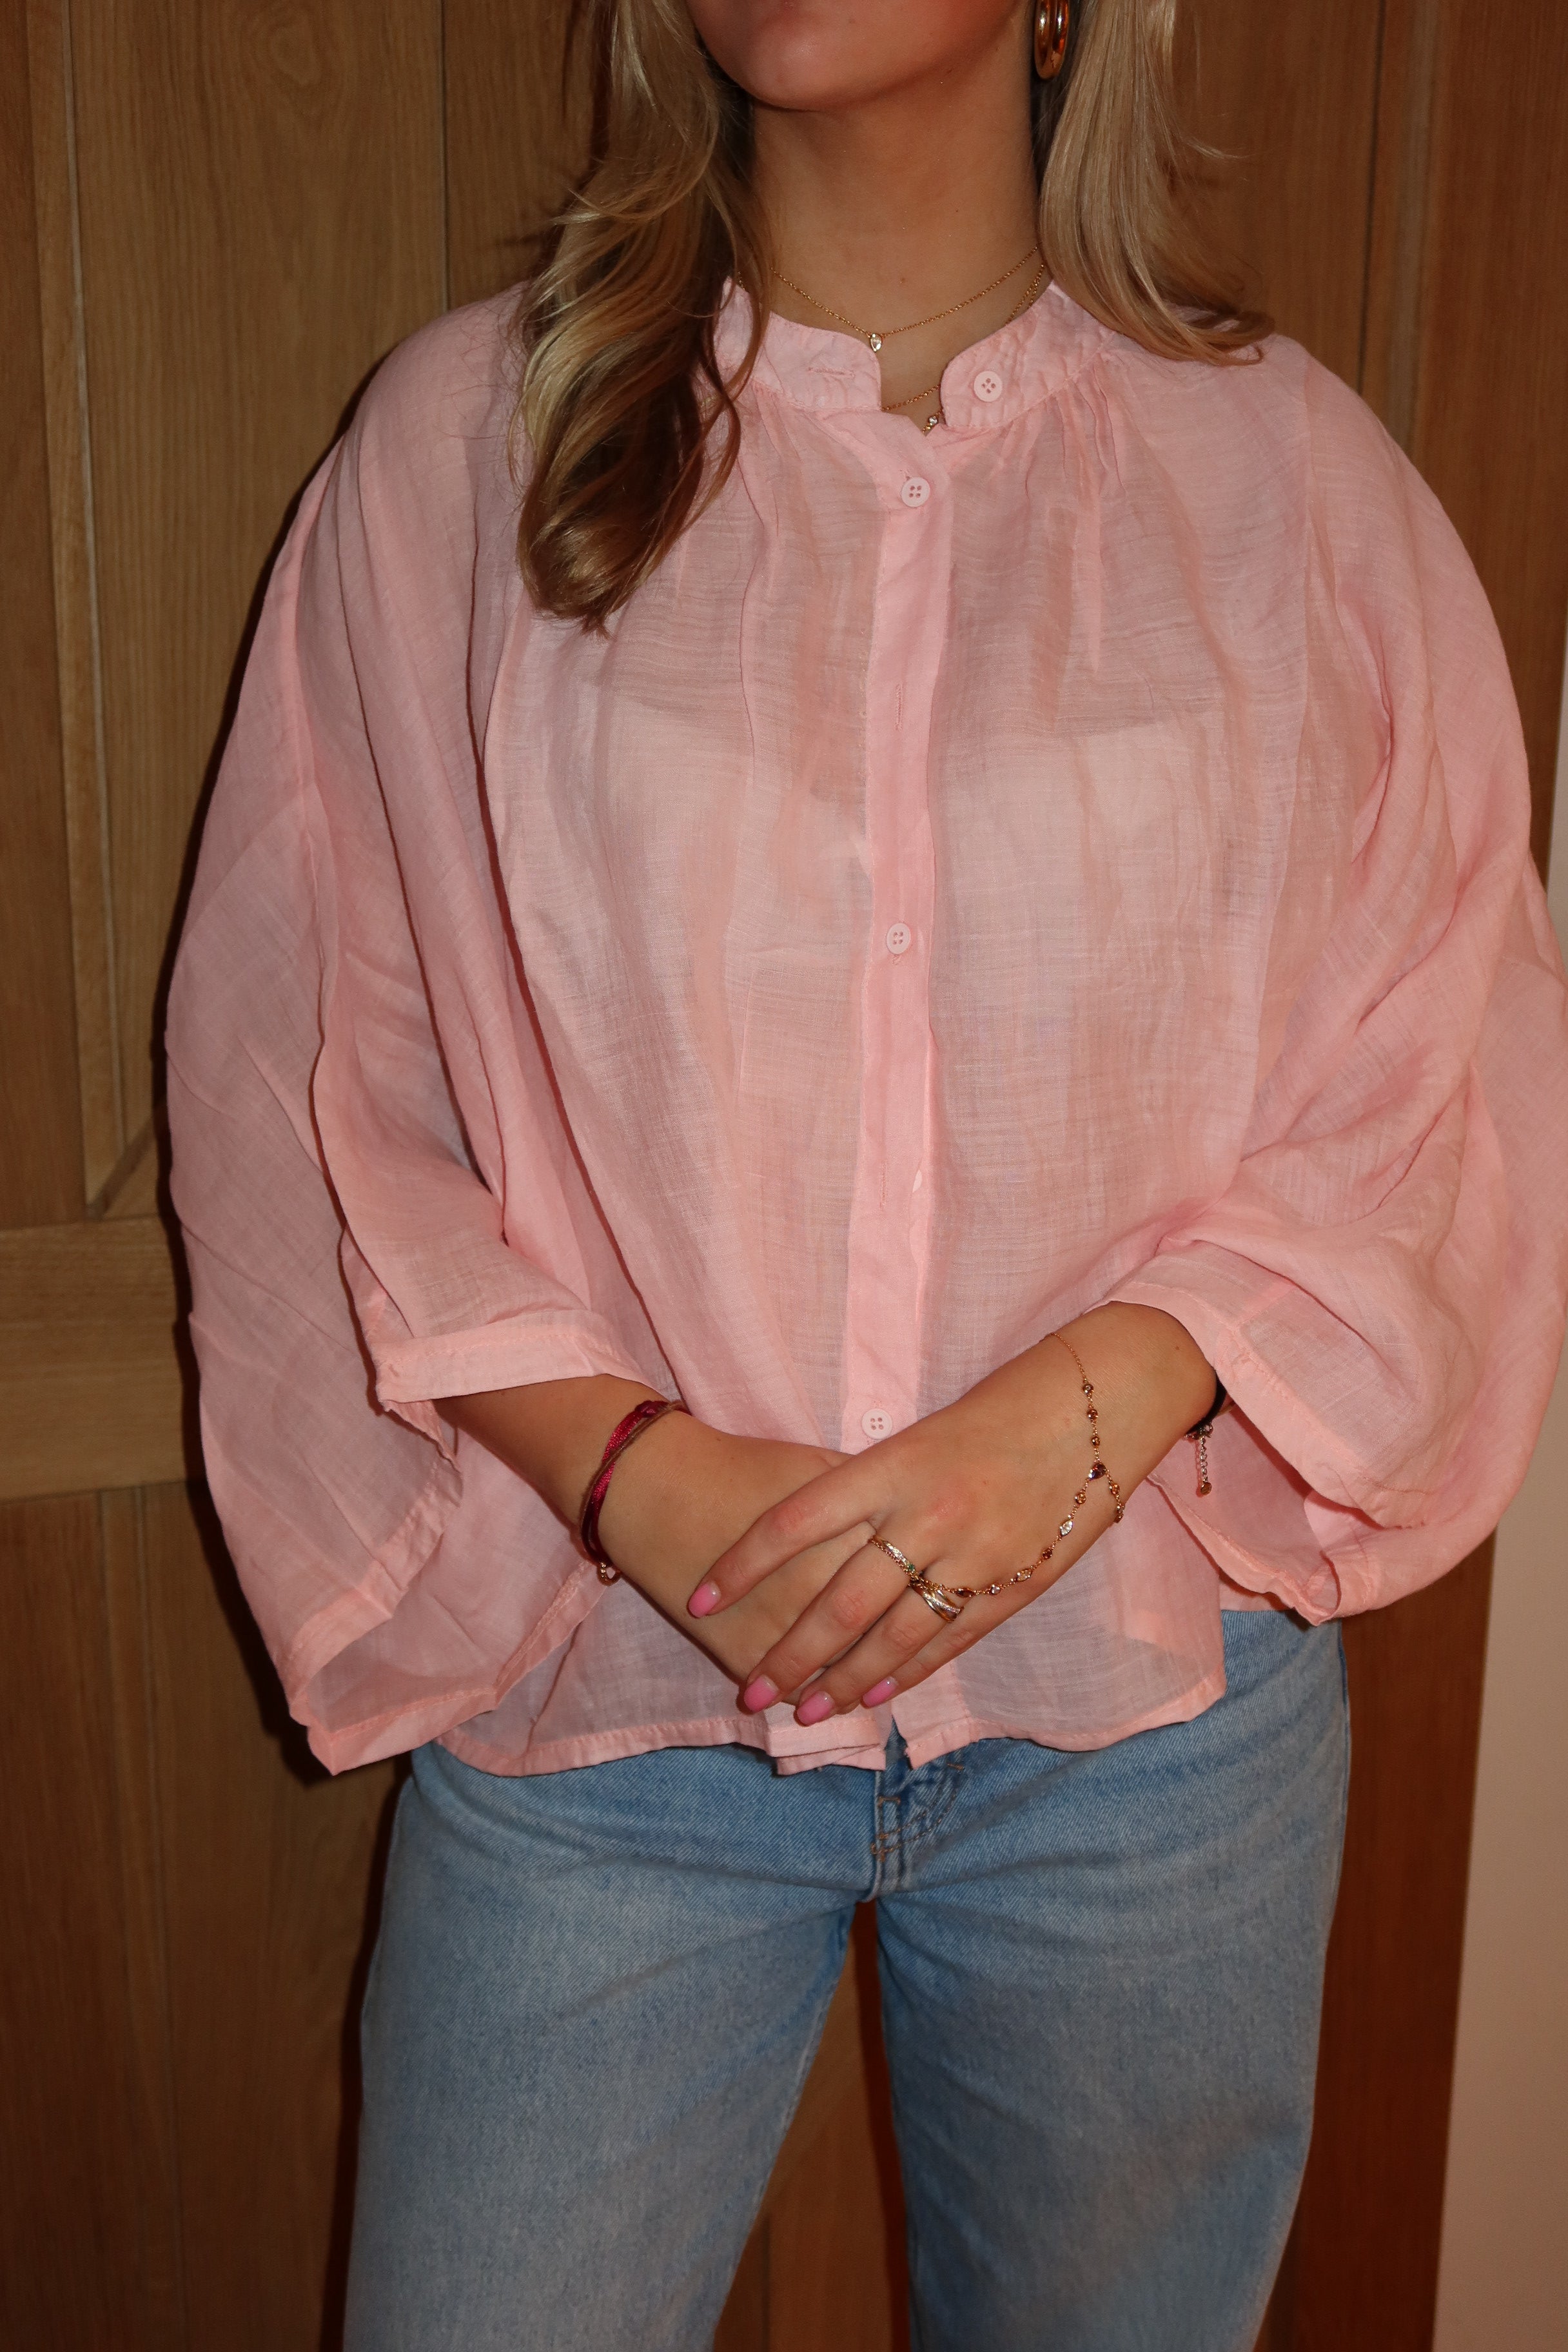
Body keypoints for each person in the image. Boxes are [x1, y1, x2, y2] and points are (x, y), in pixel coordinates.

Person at [166, 1, 1568, 2346]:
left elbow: (1437, 1068)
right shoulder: (465, 455)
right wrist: (640, 1477)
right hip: (613, 1710)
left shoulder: (1295, 491)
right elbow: (315, 1061)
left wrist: (1083, 1416)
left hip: (1146, 1734)